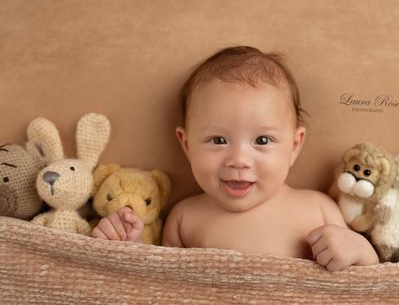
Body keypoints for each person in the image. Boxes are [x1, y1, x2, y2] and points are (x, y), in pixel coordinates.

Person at [92, 46, 379, 271]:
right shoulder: (184, 218)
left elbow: (372, 280)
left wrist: (358, 249)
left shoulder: (316, 209)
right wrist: (126, 247)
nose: (239, 160)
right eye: (218, 140)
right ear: (187, 144)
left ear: (294, 146)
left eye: (262, 141)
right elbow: (161, 286)